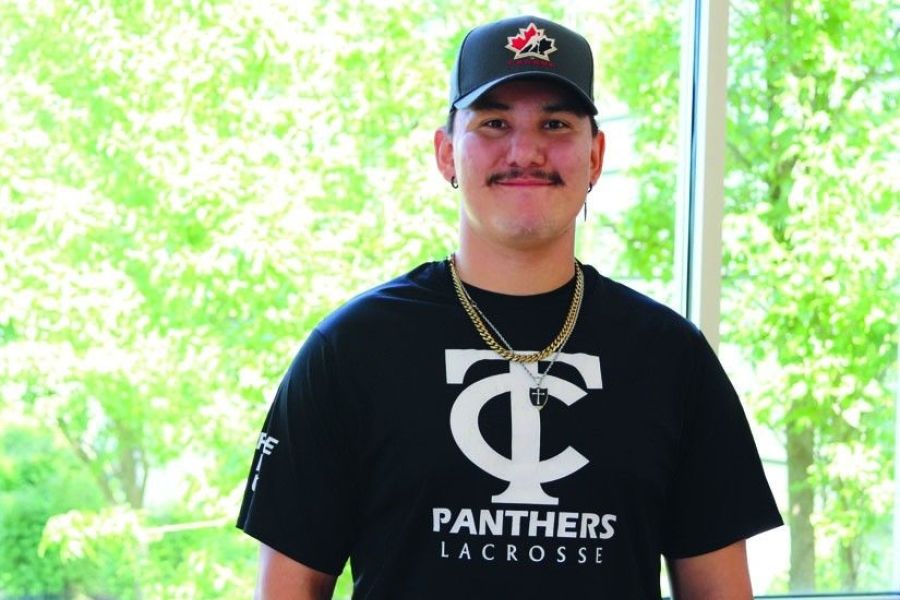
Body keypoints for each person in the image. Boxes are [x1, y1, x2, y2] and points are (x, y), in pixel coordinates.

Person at [237, 15, 783, 599]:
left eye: (556, 124)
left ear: (595, 157)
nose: (526, 150)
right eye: (494, 123)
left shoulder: (672, 359)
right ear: (446, 154)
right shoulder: (350, 351)